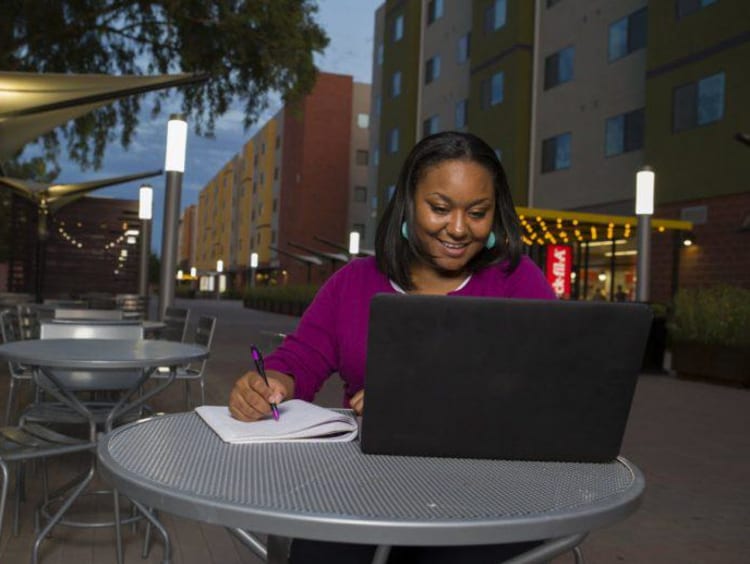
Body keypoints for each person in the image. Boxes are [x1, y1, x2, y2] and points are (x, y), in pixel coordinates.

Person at [229, 131, 556, 563]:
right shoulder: (355, 282)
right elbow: (301, 357)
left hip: (488, 491)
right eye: (439, 208)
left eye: (477, 213)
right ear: (408, 202)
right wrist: (272, 380)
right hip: (369, 484)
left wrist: (428, 401)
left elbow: (550, 389)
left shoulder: (518, 281)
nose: (458, 229)